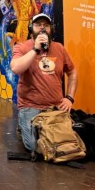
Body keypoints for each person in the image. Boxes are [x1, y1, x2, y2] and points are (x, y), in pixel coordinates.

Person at [10, 12, 78, 154]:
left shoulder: (59, 48)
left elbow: (72, 72)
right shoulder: (22, 47)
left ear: (51, 29)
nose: (42, 28)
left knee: (64, 144)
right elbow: (16, 68)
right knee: (35, 147)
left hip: (55, 107)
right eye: (38, 25)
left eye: (46, 25)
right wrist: (36, 49)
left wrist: (69, 98)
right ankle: (23, 127)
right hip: (31, 107)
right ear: (31, 29)